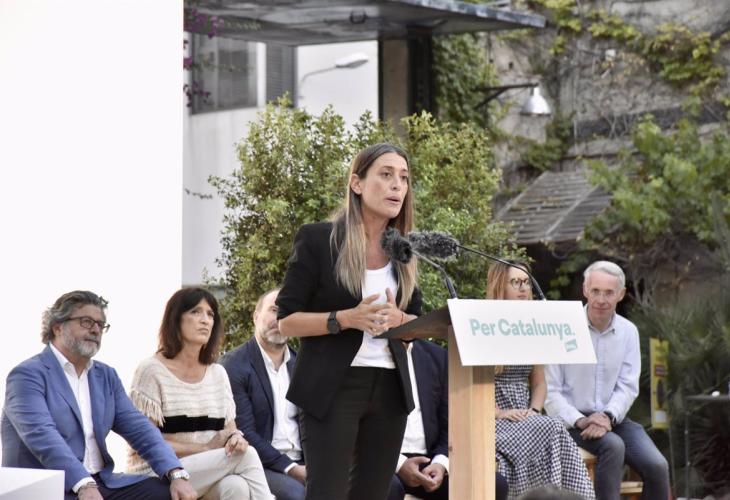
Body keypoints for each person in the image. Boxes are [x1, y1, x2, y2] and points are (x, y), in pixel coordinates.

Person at [276, 142, 422, 500]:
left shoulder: (404, 250)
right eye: (386, 175)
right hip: (333, 387)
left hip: (390, 390)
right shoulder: (318, 239)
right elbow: (286, 322)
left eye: (403, 178)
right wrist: (345, 319)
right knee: (327, 493)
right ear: (357, 183)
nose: (397, 185)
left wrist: (400, 320)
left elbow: (415, 322)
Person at [1, 290, 197, 500]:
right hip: (45, 488)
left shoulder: (106, 376)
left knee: (167, 493)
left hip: (100, 483)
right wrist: (82, 483)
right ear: (57, 327)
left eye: (100, 324)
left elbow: (140, 429)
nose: (95, 330)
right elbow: (42, 436)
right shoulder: (27, 375)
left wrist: (175, 472)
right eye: (86, 322)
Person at [127, 287, 273, 500]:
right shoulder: (151, 371)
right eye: (195, 312)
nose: (205, 320)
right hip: (156, 472)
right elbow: (143, 443)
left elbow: (230, 431)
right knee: (247, 456)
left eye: (210, 314)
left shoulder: (218, 373)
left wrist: (235, 439)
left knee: (236, 486)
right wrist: (204, 447)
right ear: (176, 319)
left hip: (203, 471)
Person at [545, 261, 670, 500]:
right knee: (613, 446)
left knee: (657, 466)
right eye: (595, 291)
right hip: (569, 423)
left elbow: (627, 386)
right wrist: (582, 420)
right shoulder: (562, 329)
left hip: (613, 418)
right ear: (585, 290)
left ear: (620, 294)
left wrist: (607, 417)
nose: (601, 299)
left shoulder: (628, 332)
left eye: (609, 293)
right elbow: (551, 392)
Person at [486, 261, 595, 500]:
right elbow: (474, 386)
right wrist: (500, 413)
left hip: (526, 415)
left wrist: (533, 410)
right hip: (492, 418)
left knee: (549, 425)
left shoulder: (531, 327)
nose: (523, 288)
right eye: (516, 282)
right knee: (552, 426)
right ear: (499, 286)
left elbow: (539, 383)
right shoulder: (482, 326)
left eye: (526, 282)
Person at [387, 339, 510, 500]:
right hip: (386, 460)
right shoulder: (369, 356)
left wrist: (440, 463)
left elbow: (449, 423)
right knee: (390, 488)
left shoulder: (437, 356)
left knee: (495, 484)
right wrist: (399, 464)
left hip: (430, 461)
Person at [221, 288, 306, 500]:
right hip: (258, 464)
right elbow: (245, 432)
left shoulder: (301, 366)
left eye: (288, 312)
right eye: (274, 310)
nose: (280, 318)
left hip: (304, 461)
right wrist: (292, 468)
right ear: (256, 316)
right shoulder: (233, 365)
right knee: (297, 495)